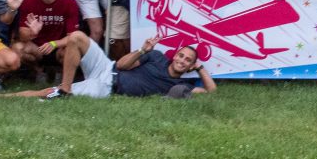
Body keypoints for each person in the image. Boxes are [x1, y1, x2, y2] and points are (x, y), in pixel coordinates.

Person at [13, 33, 216, 99]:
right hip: (107, 67)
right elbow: (122, 64)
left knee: (49, 92)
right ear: (175, 55)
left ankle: (2, 97)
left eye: (187, 60)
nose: (182, 60)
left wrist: (200, 67)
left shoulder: (179, 86)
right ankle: (66, 86)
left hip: (107, 87)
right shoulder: (156, 56)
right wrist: (142, 50)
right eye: (181, 55)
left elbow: (210, 91)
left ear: (190, 66)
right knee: (76, 37)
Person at [12, 0, 81, 81]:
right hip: (38, 49)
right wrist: (32, 33)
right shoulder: (29, 1)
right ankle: (37, 70)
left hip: (59, 47)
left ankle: (63, 74)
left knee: (72, 50)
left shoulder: (69, 2)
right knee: (17, 48)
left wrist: (54, 44)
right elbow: (22, 34)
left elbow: (74, 37)